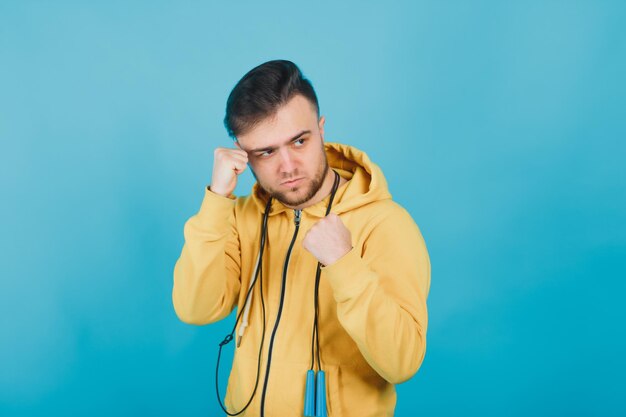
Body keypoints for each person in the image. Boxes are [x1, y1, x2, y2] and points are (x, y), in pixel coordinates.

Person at [172, 59, 431, 417]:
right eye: (266, 152)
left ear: (321, 129)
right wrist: (217, 199)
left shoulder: (385, 223)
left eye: (299, 141)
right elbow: (195, 309)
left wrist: (344, 263)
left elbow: (402, 362)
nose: (288, 166)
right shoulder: (240, 217)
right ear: (242, 153)